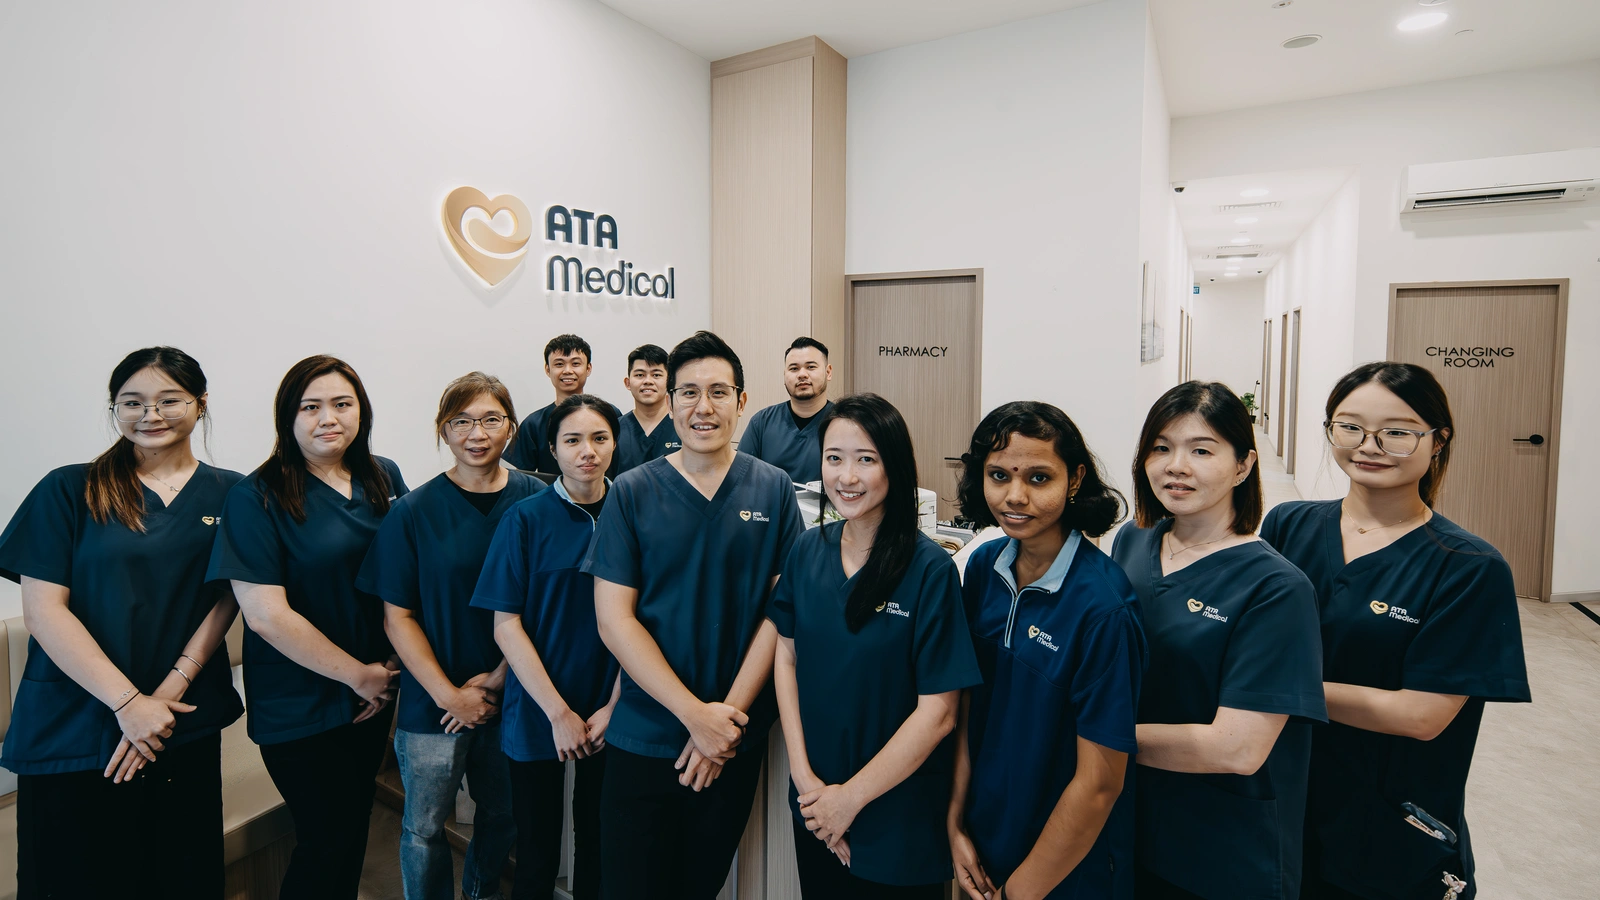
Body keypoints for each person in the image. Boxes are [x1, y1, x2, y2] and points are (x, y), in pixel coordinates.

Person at [1259, 362, 1530, 900]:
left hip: (1383, 823)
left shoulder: (1467, 566)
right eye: (1350, 426)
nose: (1369, 445)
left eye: (1398, 432)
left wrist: (1267, 689)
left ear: (1438, 439)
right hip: (1281, 798)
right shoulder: (1288, 525)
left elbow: (1422, 716)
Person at [0, 347, 244, 900]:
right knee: (78, 876)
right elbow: (43, 611)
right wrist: (130, 706)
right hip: (77, 719)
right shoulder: (69, 488)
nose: (149, 414)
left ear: (200, 405)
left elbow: (228, 596)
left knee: (179, 874)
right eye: (132, 402)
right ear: (115, 409)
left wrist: (164, 695)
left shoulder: (233, 493)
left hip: (179, 717)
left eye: (168, 400)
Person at [585, 330, 804, 900]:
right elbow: (615, 620)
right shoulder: (631, 491)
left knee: (698, 885)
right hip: (646, 733)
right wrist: (692, 716)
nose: (702, 408)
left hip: (733, 739)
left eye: (717, 392)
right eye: (688, 393)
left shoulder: (774, 488)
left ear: (742, 400)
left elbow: (781, 613)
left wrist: (723, 723)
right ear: (670, 400)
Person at [1109, 382, 1325, 900]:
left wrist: (1088, 738)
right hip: (1129, 815)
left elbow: (1238, 748)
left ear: (1244, 466)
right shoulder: (1135, 539)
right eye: (1161, 448)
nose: (1175, 466)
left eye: (1201, 450)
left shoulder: (1276, 588)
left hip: (1220, 845)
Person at [207, 355, 408, 899]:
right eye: (310, 406)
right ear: (287, 418)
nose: (329, 418)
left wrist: (386, 668)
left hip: (373, 691)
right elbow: (266, 615)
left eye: (342, 404)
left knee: (350, 834)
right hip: (301, 701)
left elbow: (403, 574)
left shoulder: (381, 475)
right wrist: (357, 676)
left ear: (361, 411)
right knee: (324, 841)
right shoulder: (256, 497)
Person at [770, 393, 982, 898]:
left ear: (896, 468)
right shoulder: (807, 550)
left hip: (897, 817)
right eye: (834, 458)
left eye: (866, 459)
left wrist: (850, 801)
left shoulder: (929, 569)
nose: (847, 477)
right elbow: (786, 656)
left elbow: (940, 714)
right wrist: (804, 778)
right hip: (815, 804)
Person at [948, 401, 1146, 900]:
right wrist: (954, 824)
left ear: (1075, 479)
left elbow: (1099, 784)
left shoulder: (1104, 608)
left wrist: (1022, 891)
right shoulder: (983, 568)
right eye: (998, 475)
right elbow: (969, 707)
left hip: (1063, 868)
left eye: (1039, 478)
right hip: (985, 839)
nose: (1015, 497)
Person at [357, 373, 542, 900]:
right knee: (424, 827)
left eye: (490, 419)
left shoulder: (536, 500)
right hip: (430, 703)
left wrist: (497, 683)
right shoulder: (411, 512)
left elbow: (544, 607)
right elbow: (398, 617)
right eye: (460, 421)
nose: (476, 433)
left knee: (502, 818)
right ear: (443, 430)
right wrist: (450, 695)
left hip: (515, 694)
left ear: (510, 427)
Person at [471, 394, 624, 900]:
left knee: (601, 843)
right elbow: (506, 624)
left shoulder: (632, 513)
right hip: (538, 706)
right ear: (552, 449)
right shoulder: (526, 519)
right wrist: (558, 713)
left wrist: (614, 706)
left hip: (612, 707)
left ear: (615, 444)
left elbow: (646, 621)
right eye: (573, 440)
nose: (588, 451)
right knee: (536, 850)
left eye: (599, 438)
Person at [505, 334, 607, 474]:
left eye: (575, 363)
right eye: (559, 364)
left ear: (588, 368)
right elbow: (518, 476)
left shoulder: (607, 415)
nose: (567, 371)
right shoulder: (533, 424)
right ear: (548, 369)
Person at [738, 336, 834, 485]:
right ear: (785, 375)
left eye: (811, 367)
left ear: (828, 372)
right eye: (794, 368)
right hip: (772, 508)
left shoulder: (843, 422)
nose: (802, 374)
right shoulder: (762, 423)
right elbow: (741, 478)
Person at [613, 343, 681, 475]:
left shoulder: (684, 425)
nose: (648, 381)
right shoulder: (615, 429)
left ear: (669, 381)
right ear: (627, 383)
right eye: (640, 375)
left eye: (656, 375)